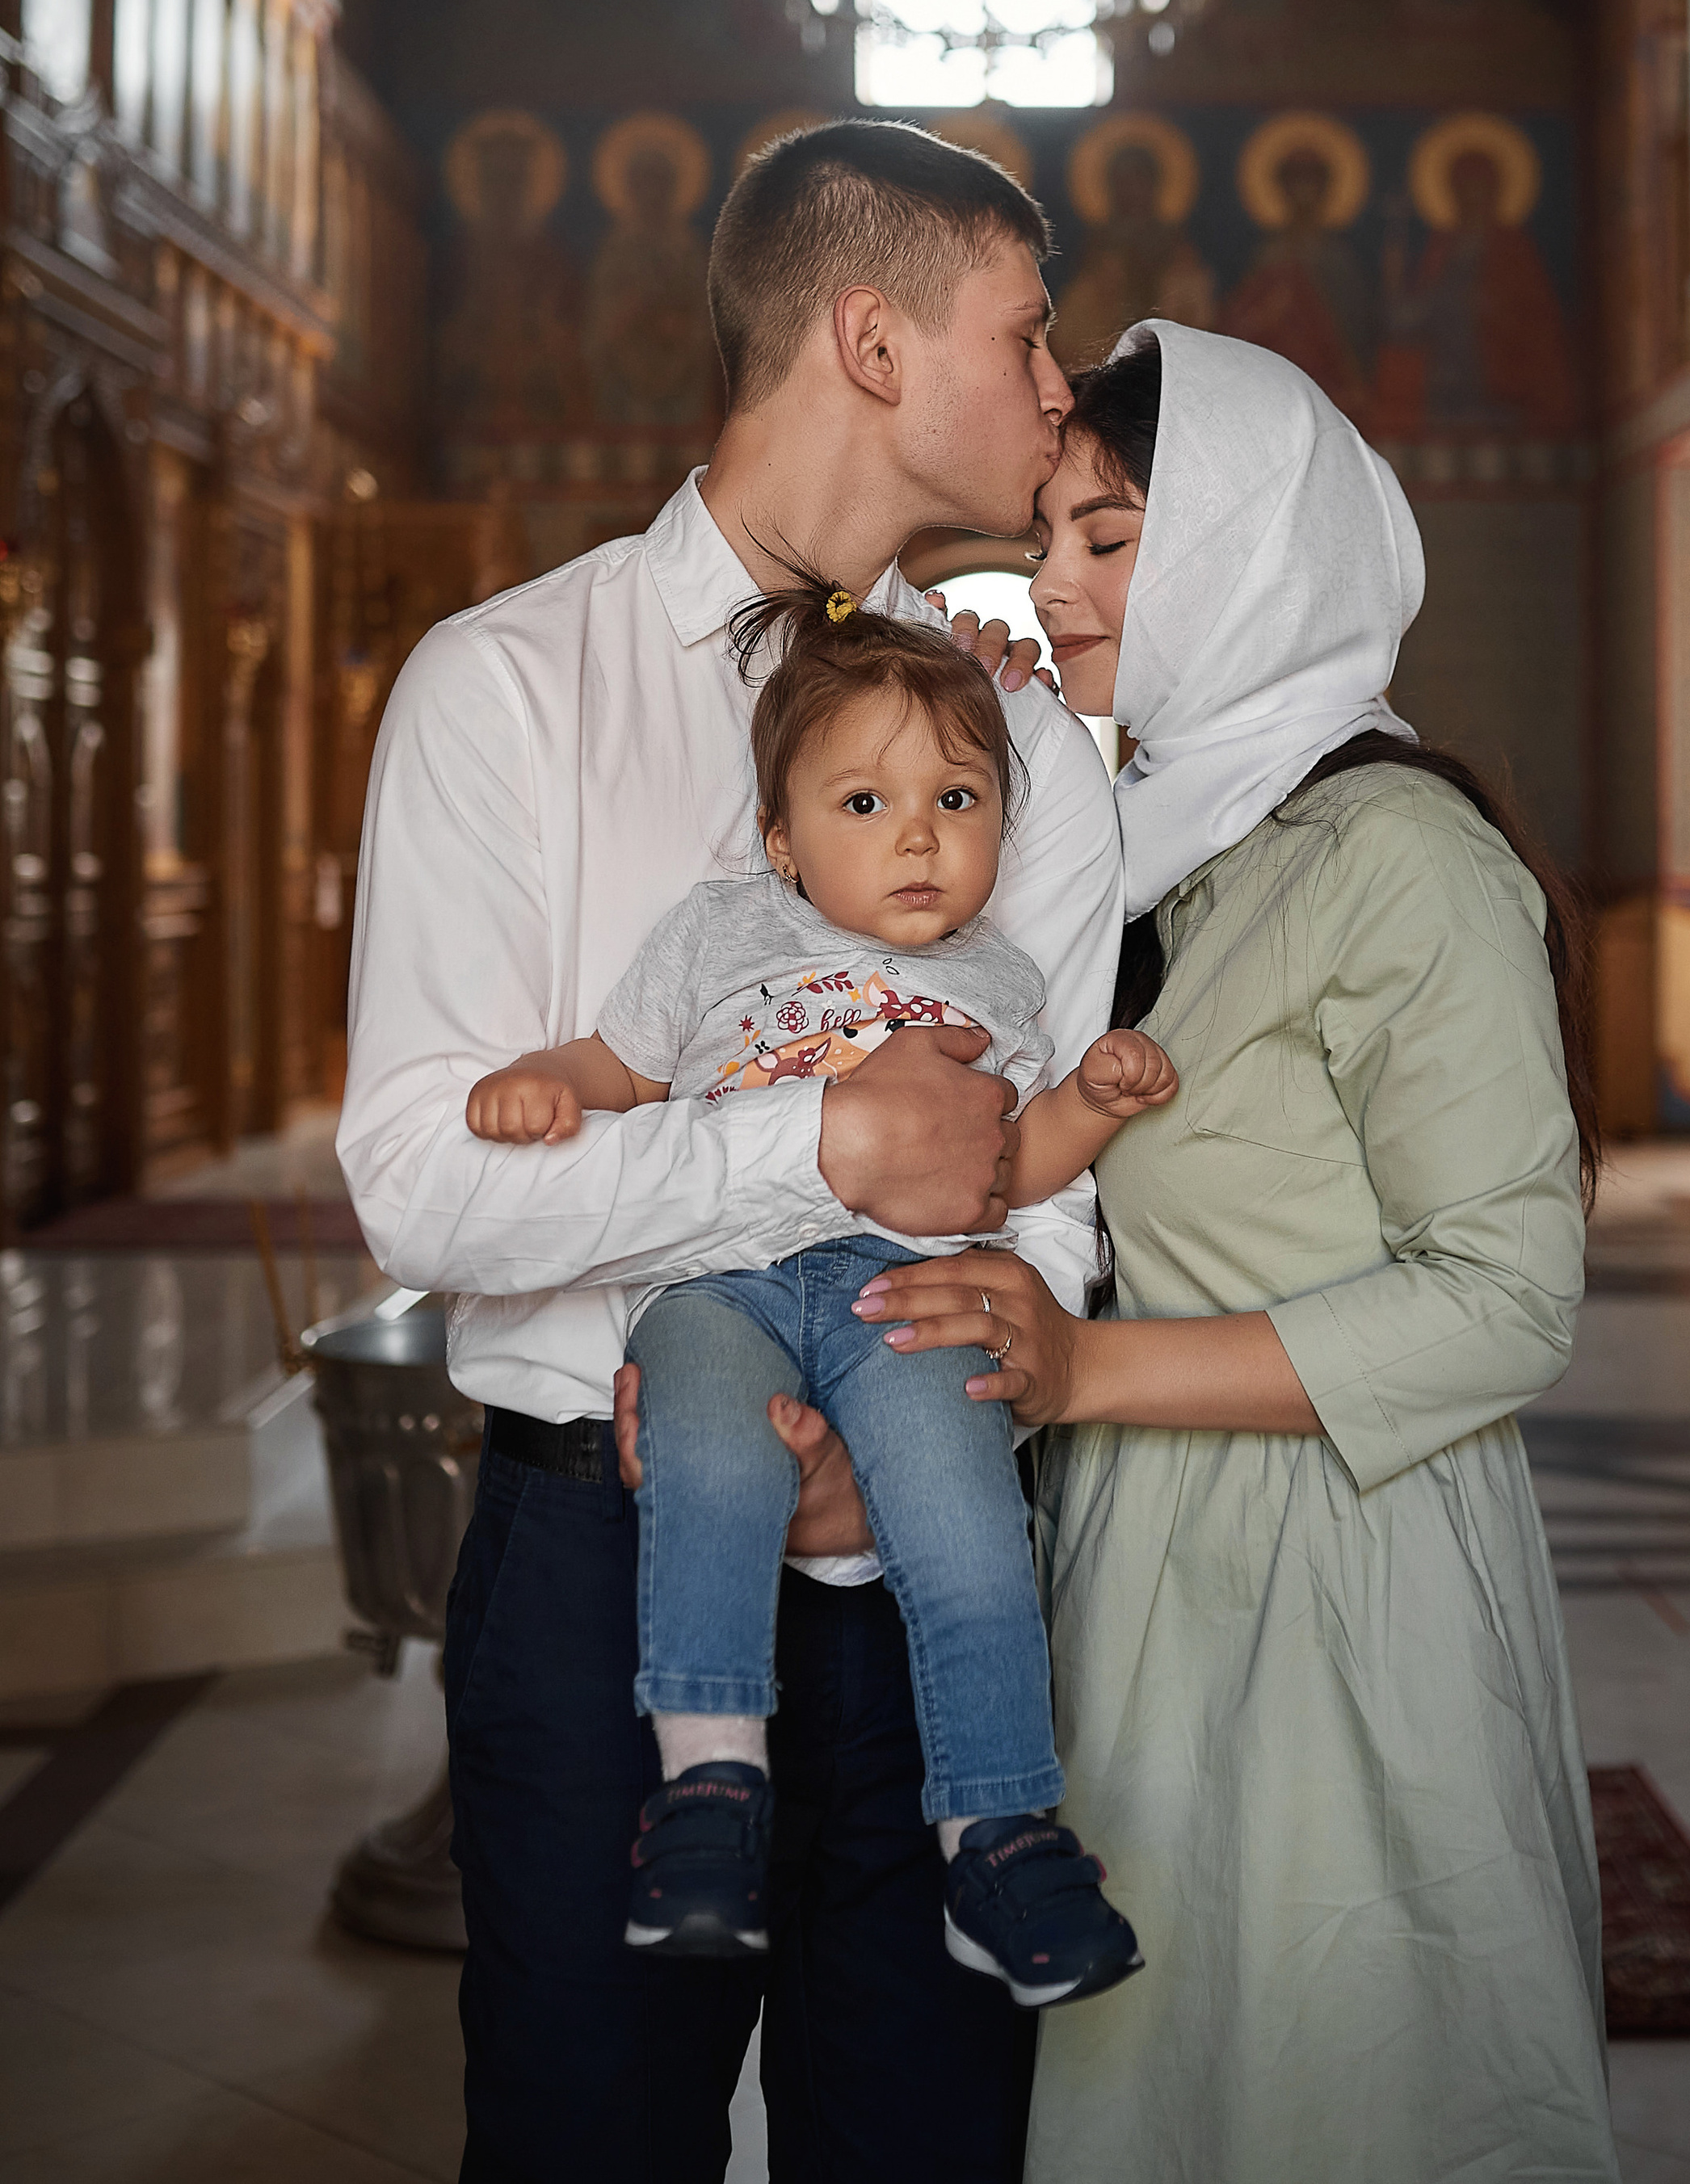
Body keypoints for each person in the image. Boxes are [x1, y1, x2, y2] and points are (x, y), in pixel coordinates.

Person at [337, 121, 1125, 2183]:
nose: (1058, 390)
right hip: (597, 1582)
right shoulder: (504, 685)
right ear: (869, 339)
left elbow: (1048, 1183)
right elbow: (425, 1183)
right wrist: (823, 1146)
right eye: (1024, 333)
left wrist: (928, 1402)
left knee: (928, 2149)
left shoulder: (1016, 746)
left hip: (925, 1572)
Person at [857, 322, 1620, 2182]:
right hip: (1141, 1551)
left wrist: (1084, 1365)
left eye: (1105, 539)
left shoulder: (1394, 855)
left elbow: (1506, 1297)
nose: (1049, 584)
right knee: (1161, 2081)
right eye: (1048, 534)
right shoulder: (1157, 844)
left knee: (1322, 2066)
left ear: (1252, 552)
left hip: (1339, 1582)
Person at [464, 586, 1166, 1999]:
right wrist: (555, 1082)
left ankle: (997, 1829)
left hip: (904, 1296)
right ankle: (711, 1788)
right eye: (863, 799)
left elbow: (1008, 1170)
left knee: (968, 1514)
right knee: (711, 1462)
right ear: (782, 838)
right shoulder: (718, 934)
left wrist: (1087, 1097)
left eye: (956, 796)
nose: (916, 832)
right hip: (719, 1285)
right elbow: (629, 1066)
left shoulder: (1004, 980)